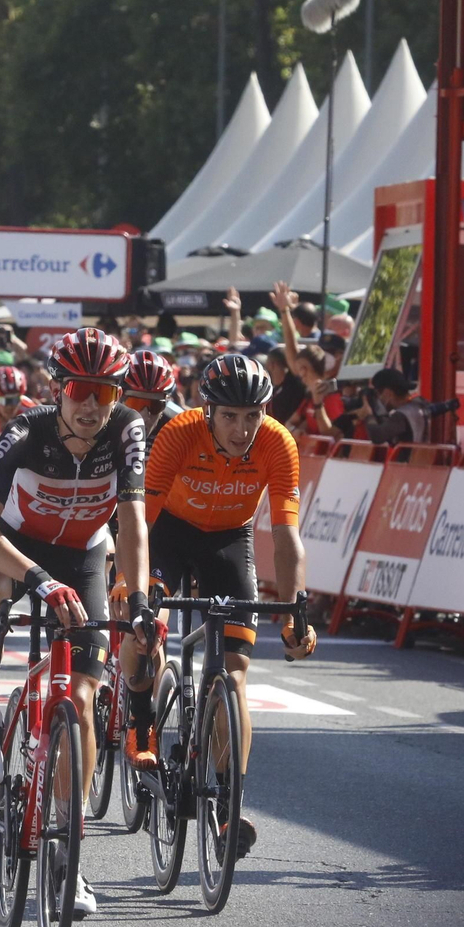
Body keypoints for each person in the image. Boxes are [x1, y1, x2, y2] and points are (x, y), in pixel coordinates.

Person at [0, 328, 145, 918]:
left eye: (105, 393)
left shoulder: (126, 431)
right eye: (81, 390)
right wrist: (36, 579)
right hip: (16, 548)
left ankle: (72, 855)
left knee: (83, 700)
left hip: (86, 553)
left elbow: (135, 523)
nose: (92, 405)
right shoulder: (26, 429)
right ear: (59, 389)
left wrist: (138, 601)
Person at [130, 354, 316, 858]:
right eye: (230, 416)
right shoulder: (177, 433)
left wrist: (297, 611)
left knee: (233, 678)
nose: (242, 428)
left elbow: (286, 535)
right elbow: (140, 523)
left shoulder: (279, 443)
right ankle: (139, 728)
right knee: (146, 630)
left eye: (252, 415)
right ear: (207, 410)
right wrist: (138, 597)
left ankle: (229, 806)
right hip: (168, 533)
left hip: (229, 542)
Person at [365, 368, 429, 445]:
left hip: (408, 456)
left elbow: (377, 436)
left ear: (387, 392)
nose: (379, 398)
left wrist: (369, 415)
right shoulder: (419, 405)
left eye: (378, 393)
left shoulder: (401, 415)